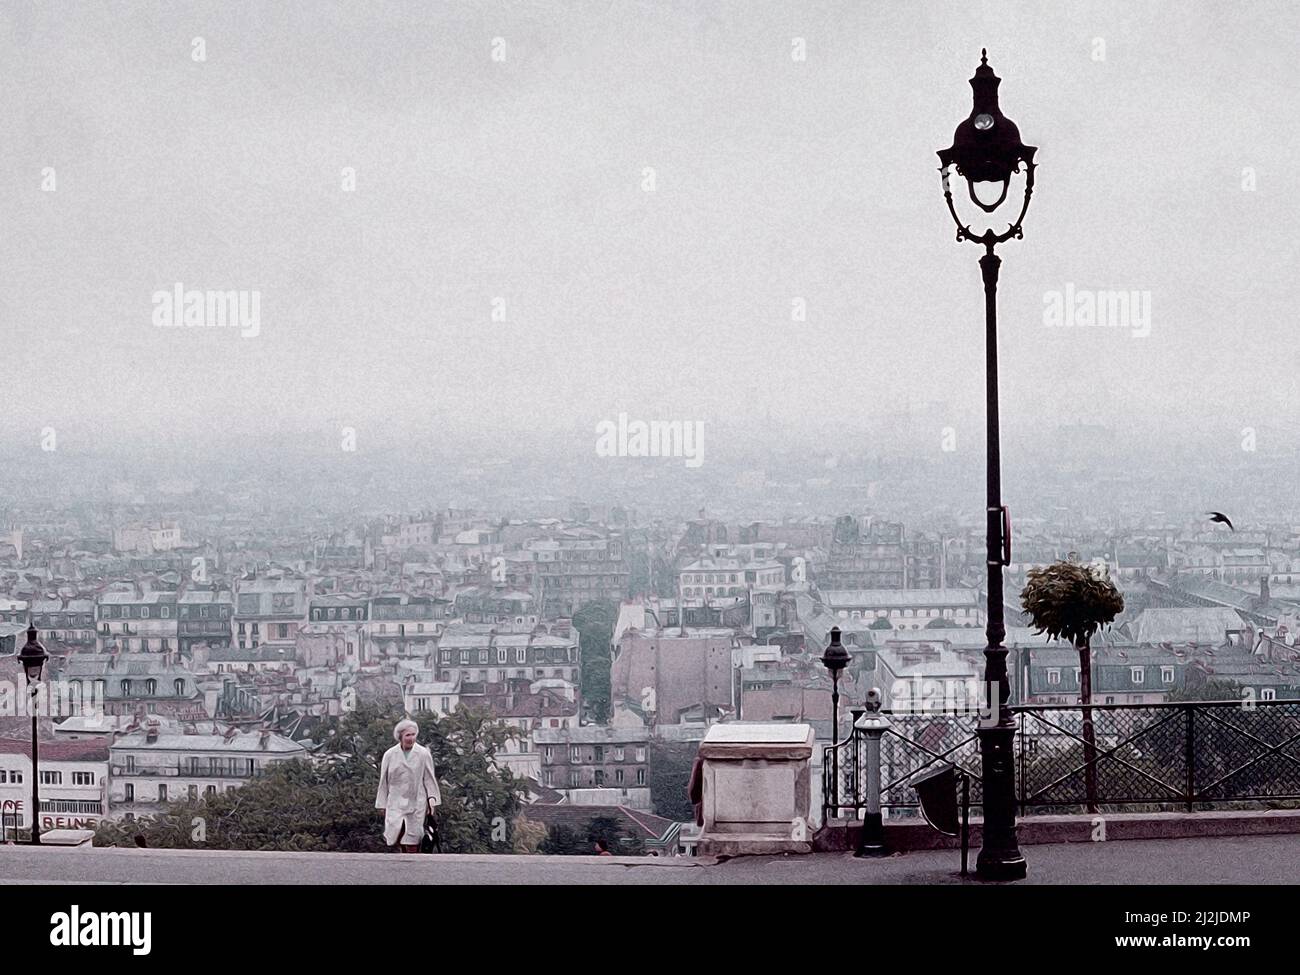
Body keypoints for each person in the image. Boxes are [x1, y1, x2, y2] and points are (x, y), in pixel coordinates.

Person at [375, 718, 441, 852]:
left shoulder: (423, 754)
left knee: (413, 835)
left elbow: (429, 779)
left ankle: (413, 859)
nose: (411, 738)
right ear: (400, 737)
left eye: (413, 735)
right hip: (395, 801)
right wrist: (381, 804)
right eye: (407, 735)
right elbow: (384, 781)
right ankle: (402, 855)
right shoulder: (389, 755)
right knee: (394, 833)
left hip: (417, 800)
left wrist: (432, 801)